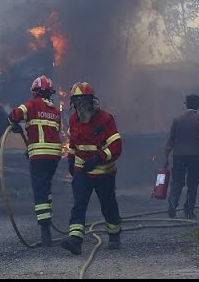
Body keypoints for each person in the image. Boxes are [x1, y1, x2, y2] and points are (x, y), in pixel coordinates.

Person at [60, 81, 123, 256]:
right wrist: (71, 161)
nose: (81, 105)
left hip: (104, 172)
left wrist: (98, 158)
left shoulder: (105, 119)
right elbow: (73, 142)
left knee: (108, 205)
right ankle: (76, 241)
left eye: (83, 100)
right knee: (79, 204)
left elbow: (116, 146)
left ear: (91, 100)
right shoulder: (73, 119)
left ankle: (114, 234)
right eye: (77, 101)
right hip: (82, 171)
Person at [8, 75, 62, 246]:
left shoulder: (31, 104)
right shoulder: (55, 111)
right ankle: (49, 222)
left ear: (35, 92)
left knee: (39, 192)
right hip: (53, 157)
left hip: (39, 157)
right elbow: (52, 132)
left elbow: (15, 114)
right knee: (46, 188)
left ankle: (45, 234)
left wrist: (13, 122)